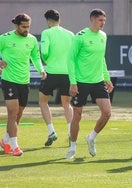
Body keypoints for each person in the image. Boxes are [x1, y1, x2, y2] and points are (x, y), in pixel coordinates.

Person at [65, 9, 114, 159]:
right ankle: (72, 147)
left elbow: (102, 58)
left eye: (104, 21)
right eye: (100, 20)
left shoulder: (103, 36)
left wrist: (107, 77)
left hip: (98, 81)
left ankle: (91, 137)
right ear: (92, 19)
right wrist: (73, 82)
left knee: (107, 113)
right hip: (80, 82)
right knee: (77, 116)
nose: (103, 23)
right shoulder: (80, 37)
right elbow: (70, 59)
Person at [0, 13, 46, 156]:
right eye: (23, 27)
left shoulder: (32, 40)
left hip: (24, 81)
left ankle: (5, 139)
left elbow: (35, 57)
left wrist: (41, 70)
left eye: (28, 27)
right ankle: (15, 147)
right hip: (8, 80)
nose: (26, 29)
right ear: (16, 26)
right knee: (12, 113)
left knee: (18, 114)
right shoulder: (4, 38)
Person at [39, 9, 74, 147]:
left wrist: (47, 60)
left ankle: (51, 131)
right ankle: (71, 132)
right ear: (59, 20)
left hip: (52, 72)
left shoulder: (46, 33)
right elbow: (74, 54)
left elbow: (44, 52)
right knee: (66, 103)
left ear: (48, 21)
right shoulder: (70, 34)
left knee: (43, 101)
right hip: (67, 73)